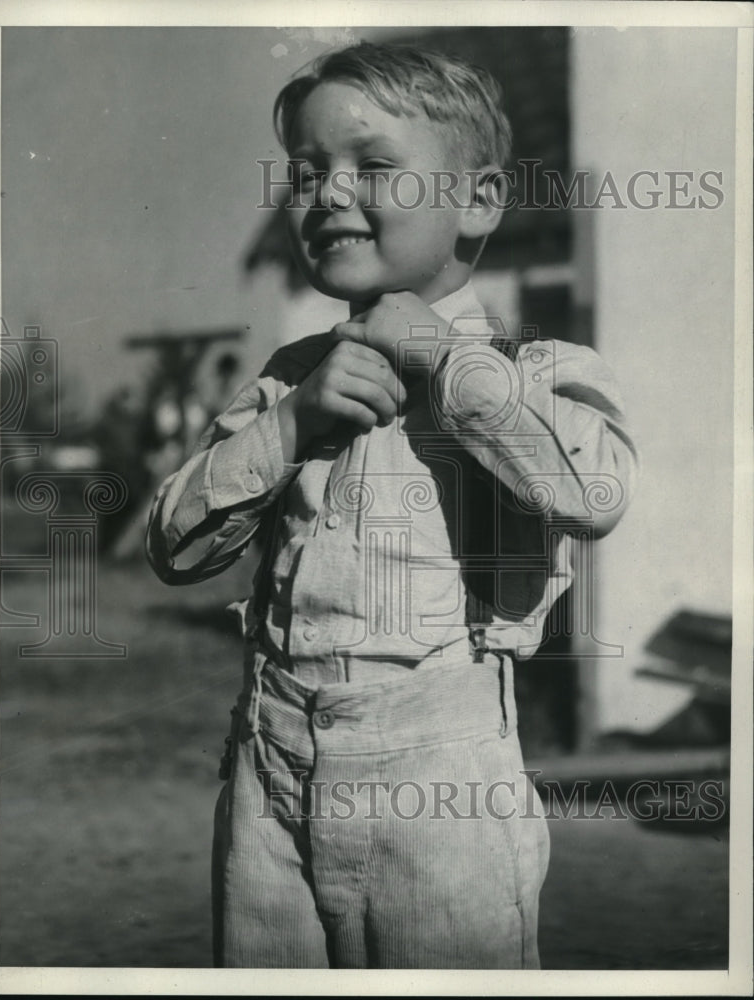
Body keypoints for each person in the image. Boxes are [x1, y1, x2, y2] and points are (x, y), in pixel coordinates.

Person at [145, 42, 638, 969]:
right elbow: (174, 544)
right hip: (269, 768)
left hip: (438, 779)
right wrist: (290, 424)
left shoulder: (539, 369)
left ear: (479, 202)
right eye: (306, 172)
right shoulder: (291, 380)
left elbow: (594, 492)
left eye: (372, 166)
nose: (328, 192)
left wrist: (447, 362)